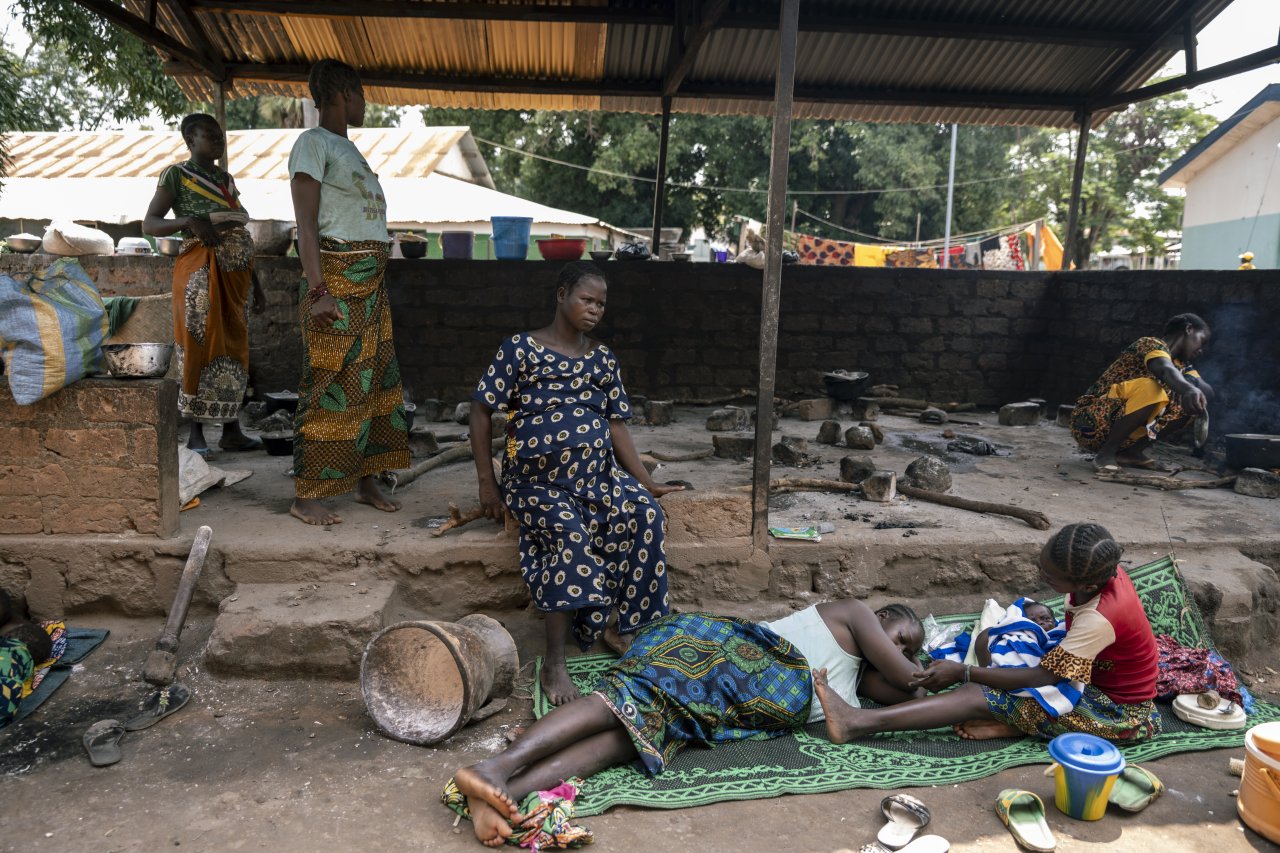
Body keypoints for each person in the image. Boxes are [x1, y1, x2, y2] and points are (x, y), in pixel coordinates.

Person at [446, 600, 926, 846]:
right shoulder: (855, 614)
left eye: (909, 650)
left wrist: (911, 673)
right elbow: (914, 679)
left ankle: (504, 792)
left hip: (724, 704)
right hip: (718, 656)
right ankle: (496, 767)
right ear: (881, 615)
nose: (902, 652)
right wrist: (945, 670)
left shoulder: (858, 679)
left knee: (633, 735)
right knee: (625, 697)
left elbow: (908, 688)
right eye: (902, 637)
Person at [470, 261, 681, 706]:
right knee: (567, 533)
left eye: (601, 304)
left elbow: (617, 425)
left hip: (597, 476)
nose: (595, 310)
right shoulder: (520, 349)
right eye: (587, 299)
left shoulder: (602, 358)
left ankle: (631, 630)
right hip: (536, 483)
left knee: (645, 515)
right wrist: (488, 487)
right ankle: (555, 661)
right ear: (561, 295)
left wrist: (644, 483)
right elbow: (481, 412)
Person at [812, 523, 1161, 746]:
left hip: (1118, 710)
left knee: (984, 692)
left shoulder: (1101, 616)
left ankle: (859, 723)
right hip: (1088, 674)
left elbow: (1044, 675)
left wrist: (964, 671)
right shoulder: (1101, 573)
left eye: (1051, 577)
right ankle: (1014, 723)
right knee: (998, 653)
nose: (1043, 579)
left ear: (1085, 584)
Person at [287, 59, 409, 526]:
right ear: (343, 93)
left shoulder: (349, 150)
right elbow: (306, 223)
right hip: (335, 282)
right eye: (361, 94)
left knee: (375, 382)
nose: (365, 104)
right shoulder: (312, 144)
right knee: (330, 384)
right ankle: (307, 495)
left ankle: (365, 481)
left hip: (371, 286)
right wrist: (319, 289)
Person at [144, 113, 265, 456]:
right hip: (199, 270)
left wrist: (257, 283)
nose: (218, 139)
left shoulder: (225, 179)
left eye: (220, 135)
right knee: (199, 345)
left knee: (232, 349)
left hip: (235, 275)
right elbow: (149, 224)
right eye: (209, 135)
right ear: (189, 140)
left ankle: (231, 430)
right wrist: (190, 222)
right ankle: (195, 433)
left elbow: (239, 230)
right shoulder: (176, 174)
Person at [1070, 313, 1213, 471]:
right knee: (1151, 388)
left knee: (1191, 406)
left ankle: (1131, 453)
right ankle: (1106, 454)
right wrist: (1188, 388)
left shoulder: (1181, 366)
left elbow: (1208, 391)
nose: (1201, 350)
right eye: (1202, 341)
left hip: (1121, 436)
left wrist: (1191, 384)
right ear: (1189, 329)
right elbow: (1165, 370)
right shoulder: (1149, 344)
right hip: (1089, 423)